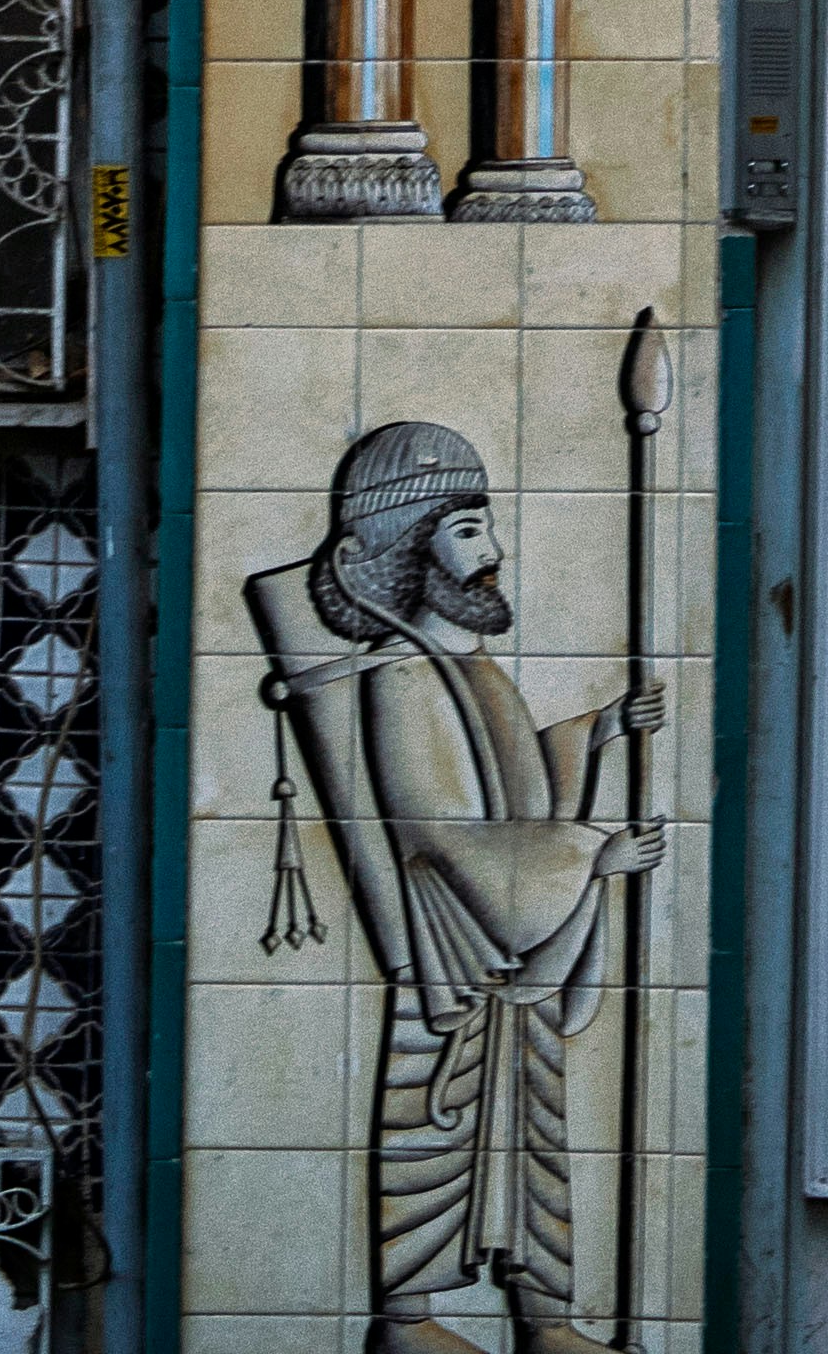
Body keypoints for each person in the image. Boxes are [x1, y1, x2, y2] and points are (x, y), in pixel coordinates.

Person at [249, 416, 660, 1354]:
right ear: (406, 552)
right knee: (432, 1146)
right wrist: (591, 857)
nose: (494, 552)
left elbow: (522, 785)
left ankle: (545, 1323)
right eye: (468, 530)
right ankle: (411, 1326)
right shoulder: (397, 682)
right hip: (454, 962)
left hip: (511, 973)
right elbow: (438, 833)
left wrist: (596, 732)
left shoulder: (473, 670)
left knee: (538, 1153)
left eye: (487, 527)